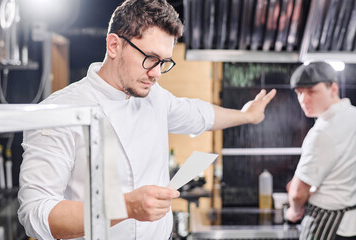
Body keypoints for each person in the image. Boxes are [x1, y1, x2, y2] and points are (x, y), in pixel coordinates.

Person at [17, 0, 276, 239]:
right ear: (114, 45)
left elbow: (199, 114)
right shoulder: (59, 110)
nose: (156, 73)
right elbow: (35, 212)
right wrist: (125, 207)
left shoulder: (155, 98)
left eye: (164, 62)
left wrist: (247, 115)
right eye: (150, 59)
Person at [285, 62, 356, 240]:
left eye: (311, 91)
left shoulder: (322, 132)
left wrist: (293, 211)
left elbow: (297, 193)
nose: (303, 99)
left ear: (333, 88)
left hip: (325, 223)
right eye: (299, 93)